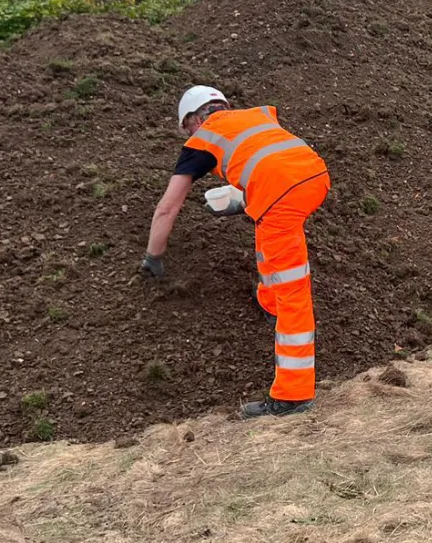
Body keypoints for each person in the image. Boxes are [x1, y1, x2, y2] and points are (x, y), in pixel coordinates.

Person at [139, 85, 331, 419]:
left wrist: (153, 257)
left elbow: (167, 209)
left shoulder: (199, 142)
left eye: (186, 128)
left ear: (192, 121)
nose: (188, 134)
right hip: (315, 175)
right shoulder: (253, 116)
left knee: (293, 294)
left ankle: (293, 396)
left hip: (282, 195)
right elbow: (264, 160)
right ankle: (268, 303)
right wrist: (245, 199)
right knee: (267, 236)